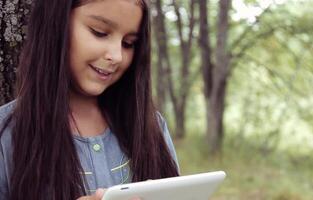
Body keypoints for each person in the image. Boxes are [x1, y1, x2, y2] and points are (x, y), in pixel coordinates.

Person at [0, 0, 179, 199]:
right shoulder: (5, 134)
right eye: (100, 32)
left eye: (128, 43)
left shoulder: (151, 127)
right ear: (55, 24)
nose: (117, 56)